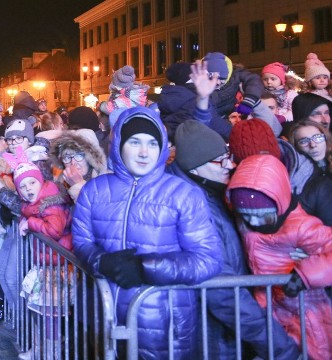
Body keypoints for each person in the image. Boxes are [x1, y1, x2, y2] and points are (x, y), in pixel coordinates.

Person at [72, 106, 222, 359]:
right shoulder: (94, 191)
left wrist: (146, 268)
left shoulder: (183, 194)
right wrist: (102, 261)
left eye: (153, 143)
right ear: (119, 144)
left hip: (165, 324)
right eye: (135, 142)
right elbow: (82, 241)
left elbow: (208, 259)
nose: (144, 153)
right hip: (105, 318)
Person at [172, 120, 301, 359]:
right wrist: (279, 347)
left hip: (226, 332)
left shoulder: (213, 191)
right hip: (214, 337)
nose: (230, 165)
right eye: (220, 160)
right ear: (195, 167)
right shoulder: (196, 207)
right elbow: (224, 293)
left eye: (228, 155)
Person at [226, 154, 332, 360]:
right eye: (246, 215)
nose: (254, 221)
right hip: (271, 308)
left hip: (308, 308)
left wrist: (306, 274)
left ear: (279, 202)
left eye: (262, 215)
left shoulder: (301, 226)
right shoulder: (244, 223)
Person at [287, 121, 332, 226]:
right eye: (304, 141)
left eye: (318, 137)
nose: (313, 144)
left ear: (325, 139)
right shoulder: (298, 177)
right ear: (295, 147)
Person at [51, 128, 107, 202]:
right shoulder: (58, 187)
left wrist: (78, 185)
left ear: (91, 158)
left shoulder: (106, 183)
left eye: (79, 155)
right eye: (67, 157)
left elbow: (98, 210)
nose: (73, 163)